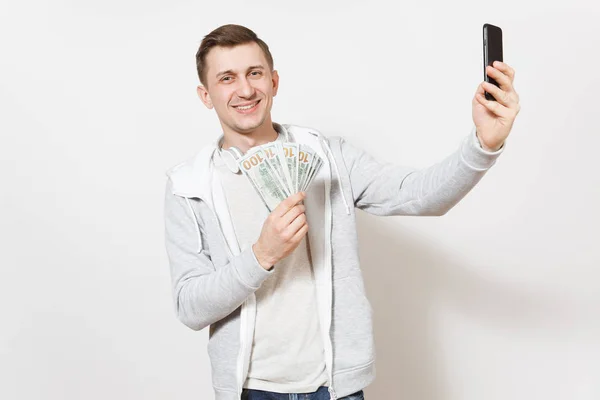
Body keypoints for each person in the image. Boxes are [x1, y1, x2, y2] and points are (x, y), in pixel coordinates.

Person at [164, 24, 520, 400]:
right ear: (206, 95)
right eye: (227, 78)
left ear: (274, 81)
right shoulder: (189, 186)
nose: (246, 89)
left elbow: (419, 195)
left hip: (336, 388)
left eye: (255, 73)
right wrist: (261, 255)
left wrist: (484, 143)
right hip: (250, 390)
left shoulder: (328, 156)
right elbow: (190, 307)